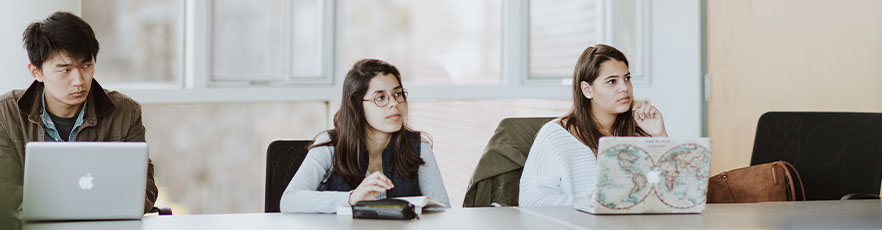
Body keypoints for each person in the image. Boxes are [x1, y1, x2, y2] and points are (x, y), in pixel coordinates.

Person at [0, 12, 159, 220]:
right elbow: (4, 187)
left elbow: (145, 188)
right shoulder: (7, 112)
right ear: (36, 72)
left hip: (104, 224)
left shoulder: (125, 112)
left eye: (86, 66)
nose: (79, 81)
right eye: (65, 70)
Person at [280, 59, 450, 213]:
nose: (394, 104)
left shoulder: (418, 145)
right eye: (381, 97)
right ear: (357, 106)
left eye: (398, 94)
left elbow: (443, 210)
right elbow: (289, 200)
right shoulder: (330, 144)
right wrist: (351, 198)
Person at [519, 44, 667, 207]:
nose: (624, 88)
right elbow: (531, 200)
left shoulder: (639, 132)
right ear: (587, 89)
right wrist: (593, 205)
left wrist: (659, 137)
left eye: (627, 78)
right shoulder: (555, 136)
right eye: (612, 81)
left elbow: (673, 194)